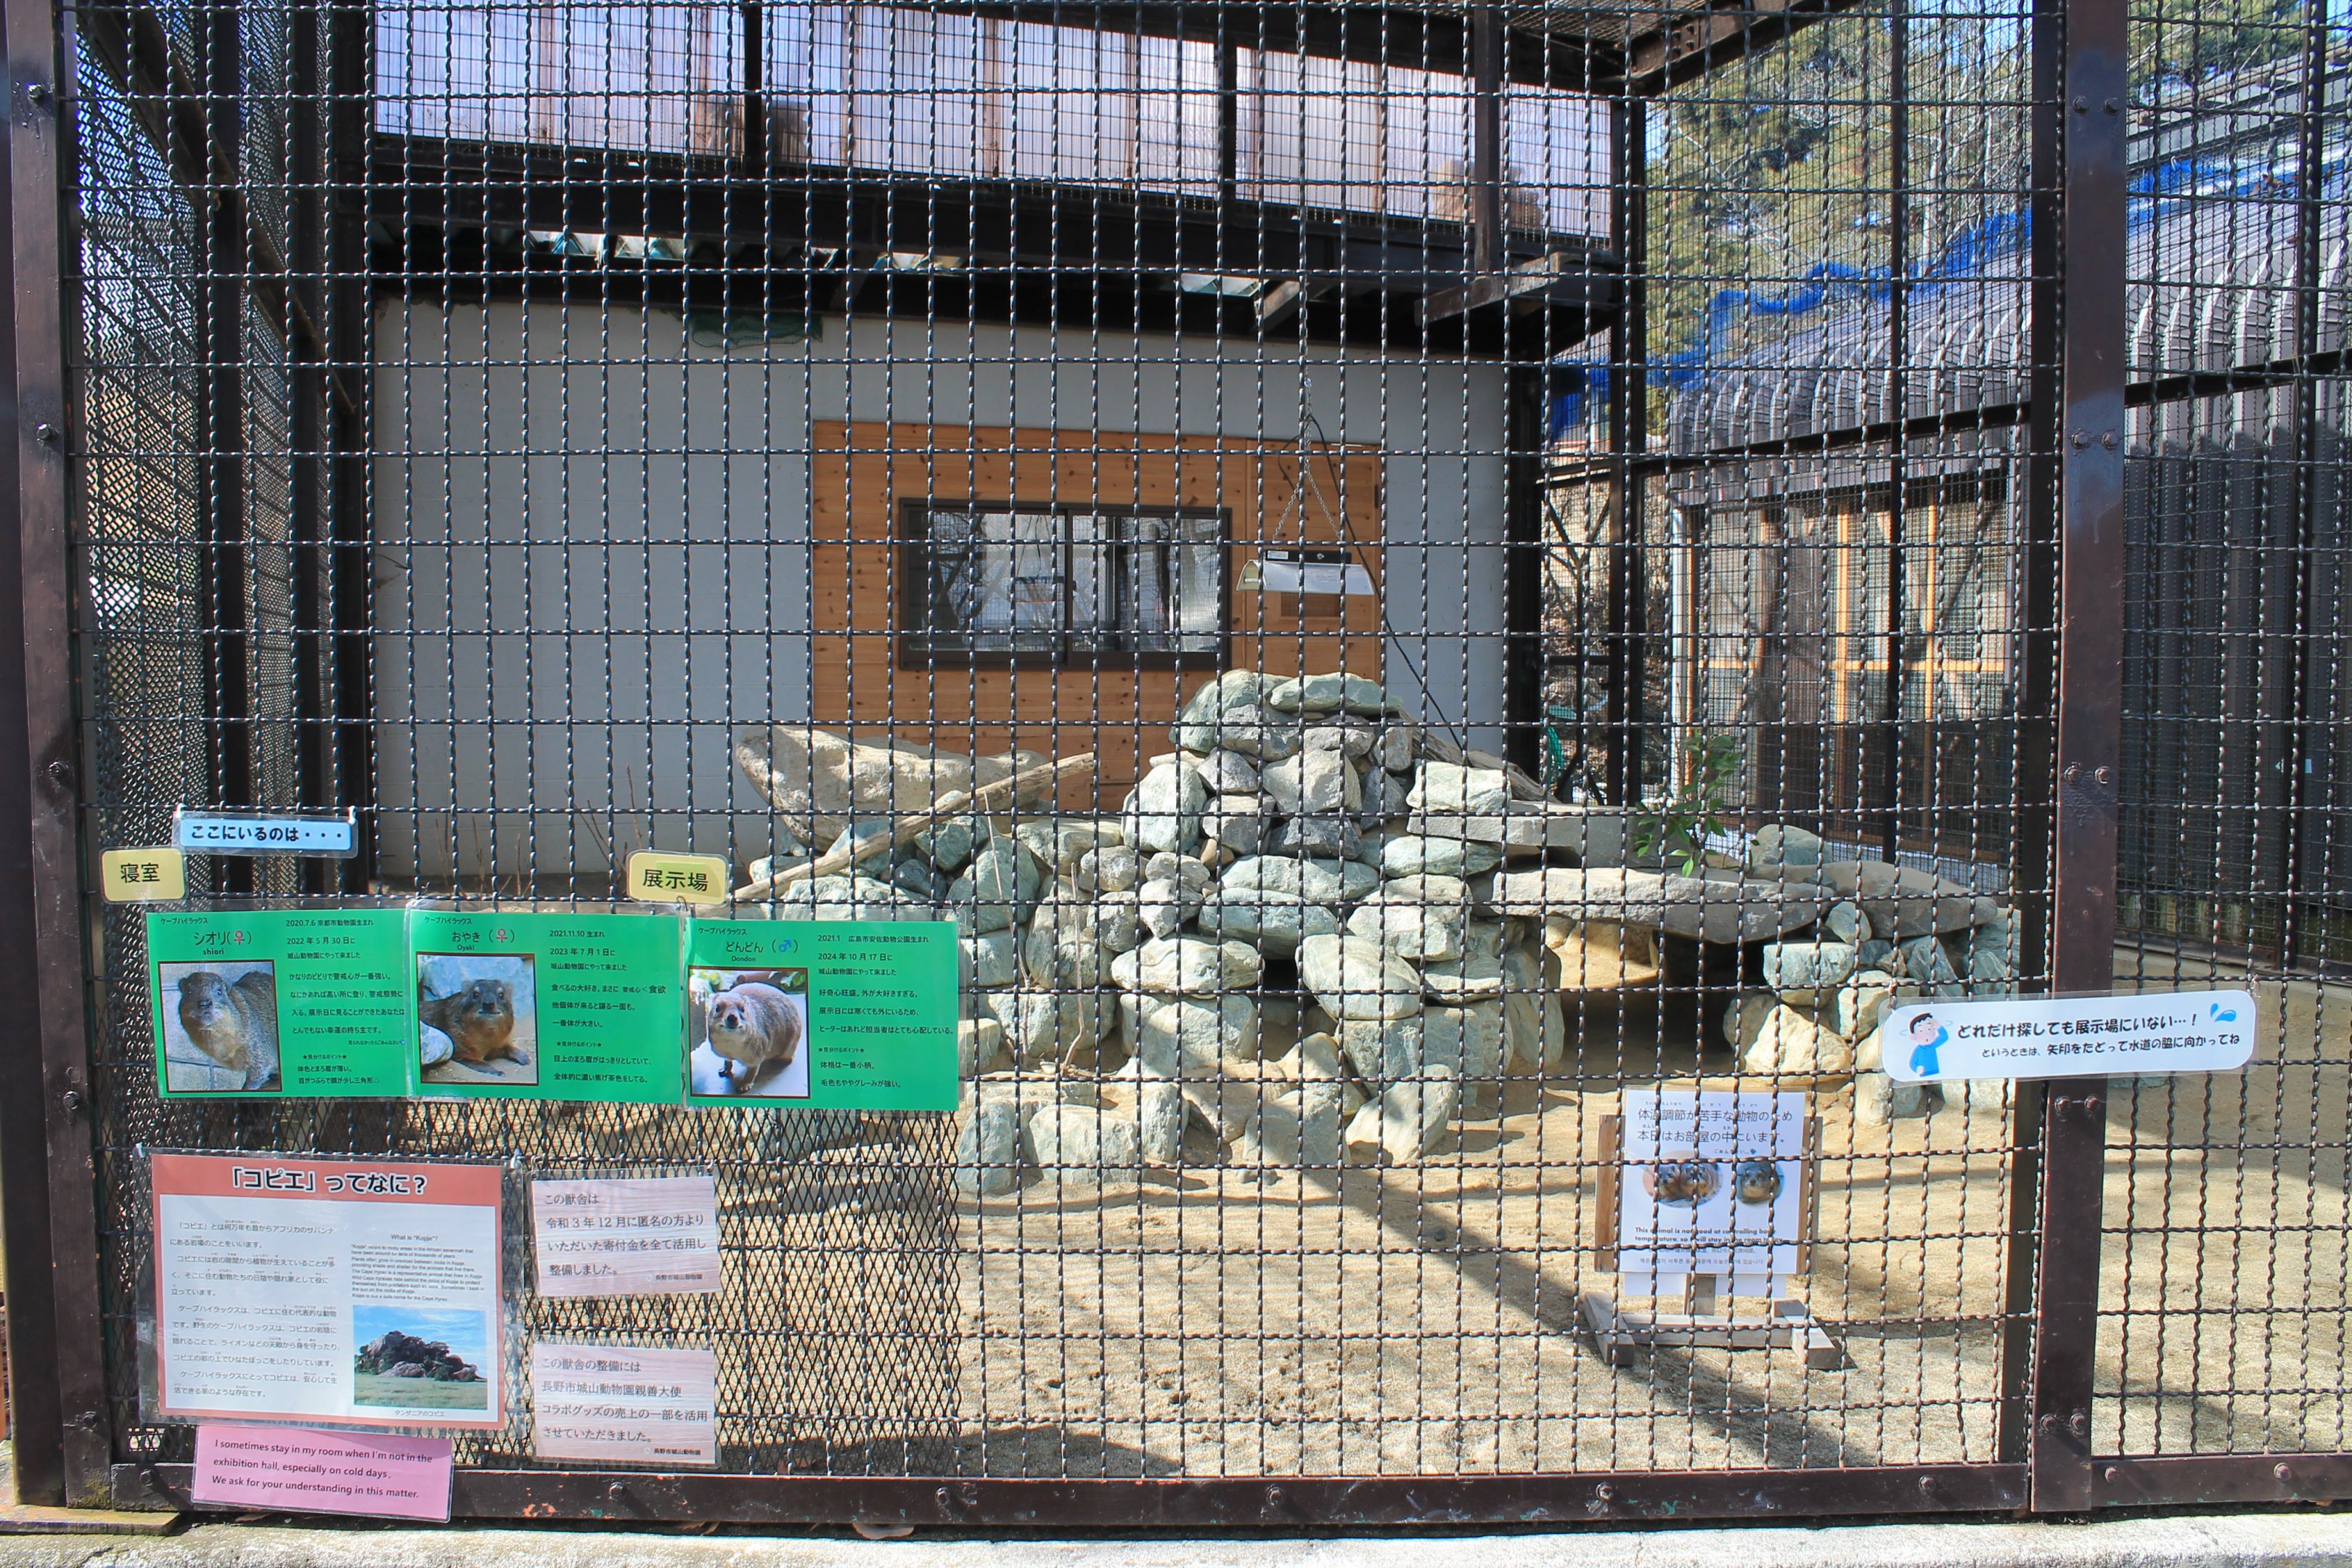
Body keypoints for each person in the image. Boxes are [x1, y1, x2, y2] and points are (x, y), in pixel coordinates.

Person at [1907, 1012, 1947, 1078]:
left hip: (1937, 1072)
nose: (1927, 1033)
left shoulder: (1933, 1045)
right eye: (1921, 1031)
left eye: (1929, 1029)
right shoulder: (1918, 1049)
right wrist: (1917, 1069)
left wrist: (1939, 1027)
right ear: (1913, 1036)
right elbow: (1912, 1063)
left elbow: (1944, 1037)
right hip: (1924, 1074)